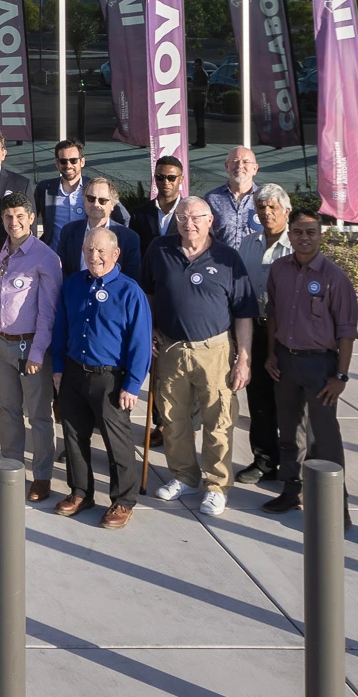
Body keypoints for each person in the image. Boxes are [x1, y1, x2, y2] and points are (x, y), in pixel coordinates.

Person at [140, 197, 257, 517]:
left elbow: (244, 312)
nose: (187, 223)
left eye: (195, 218)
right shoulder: (159, 249)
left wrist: (243, 358)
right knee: (173, 420)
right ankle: (185, 477)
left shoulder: (227, 258)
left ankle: (217, 486)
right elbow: (147, 293)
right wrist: (150, 328)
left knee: (218, 421)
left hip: (215, 351)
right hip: (172, 350)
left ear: (210, 221)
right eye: (182, 217)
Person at [51, 228, 152, 528]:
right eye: (88, 250)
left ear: (115, 254)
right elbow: (61, 329)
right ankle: (81, 492)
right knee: (73, 435)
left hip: (110, 379)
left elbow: (141, 343)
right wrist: (57, 369)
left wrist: (133, 384)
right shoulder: (72, 285)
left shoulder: (129, 291)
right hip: (72, 372)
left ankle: (123, 500)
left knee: (116, 442)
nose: (94, 256)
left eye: (100, 251)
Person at [261, 211, 358, 516]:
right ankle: (292, 491)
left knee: (325, 440)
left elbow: (346, 331)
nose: (304, 238)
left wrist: (340, 375)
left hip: (321, 367)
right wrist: (272, 354)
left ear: (321, 235)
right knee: (288, 434)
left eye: (311, 232)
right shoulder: (279, 269)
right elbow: (273, 313)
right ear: (289, 235)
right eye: (298, 232)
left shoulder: (335, 278)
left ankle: (334, 508)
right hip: (286, 362)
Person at [0, 191, 63, 501]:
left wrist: (37, 352)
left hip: (30, 347)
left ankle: (42, 475)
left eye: (20, 216)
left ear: (32, 219)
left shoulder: (45, 257)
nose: (13, 222)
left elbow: (49, 311)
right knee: (7, 410)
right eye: (8, 217)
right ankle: (11, 468)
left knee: (40, 415)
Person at [235, 182, 294, 485]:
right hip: (253, 331)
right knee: (259, 401)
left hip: (287, 335)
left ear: (286, 210)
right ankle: (265, 461)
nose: (266, 212)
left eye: (272, 206)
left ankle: (294, 467)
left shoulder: (296, 245)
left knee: (291, 403)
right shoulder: (248, 243)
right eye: (261, 206)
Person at [34, 139, 129, 247]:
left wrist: (116, 246)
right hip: (54, 257)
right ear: (57, 163)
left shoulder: (96, 189)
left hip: (87, 258)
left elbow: (124, 218)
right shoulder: (45, 189)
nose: (68, 165)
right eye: (63, 161)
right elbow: (29, 218)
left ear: (82, 162)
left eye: (73, 160)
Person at [56, 175, 142, 277]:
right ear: (84, 200)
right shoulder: (69, 231)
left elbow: (132, 277)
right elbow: (61, 270)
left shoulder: (129, 238)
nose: (96, 204)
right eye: (91, 198)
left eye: (102, 200)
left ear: (112, 205)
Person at [205, 146, 263, 250]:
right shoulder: (211, 199)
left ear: (255, 169)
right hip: (221, 263)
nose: (240, 165)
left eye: (246, 162)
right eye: (235, 161)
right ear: (226, 166)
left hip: (256, 263)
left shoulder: (264, 199)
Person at [135, 155, 185, 255]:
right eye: (160, 177)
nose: (166, 182)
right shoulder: (139, 214)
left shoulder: (192, 214)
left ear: (181, 180)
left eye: (171, 178)